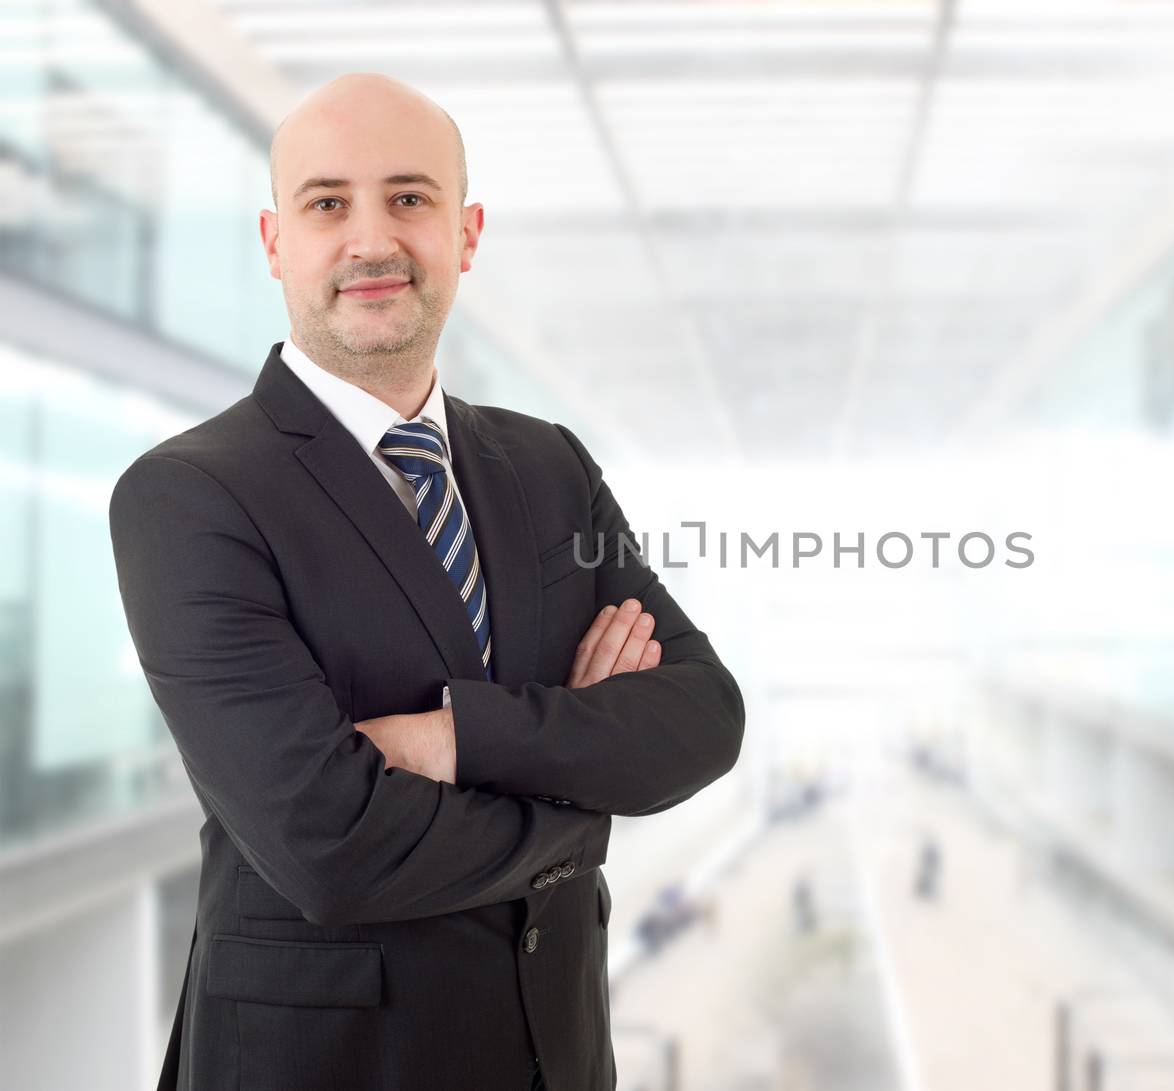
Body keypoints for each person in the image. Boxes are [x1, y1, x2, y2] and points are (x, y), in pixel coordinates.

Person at [107, 72, 744, 1091]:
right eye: (328, 204)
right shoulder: (190, 494)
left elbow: (703, 717)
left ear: (466, 232)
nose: (371, 241)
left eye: (410, 198)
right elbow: (331, 844)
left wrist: (453, 739)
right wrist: (581, 801)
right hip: (326, 1063)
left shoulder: (549, 468)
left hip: (558, 1053)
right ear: (275, 242)